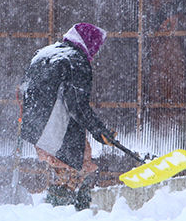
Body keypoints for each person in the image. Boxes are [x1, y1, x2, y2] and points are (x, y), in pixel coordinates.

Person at [20, 22, 116, 210]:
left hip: (36, 129)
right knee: (71, 176)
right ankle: (64, 214)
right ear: (89, 43)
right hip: (58, 130)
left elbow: (25, 90)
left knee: (70, 172)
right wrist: (99, 130)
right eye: (96, 46)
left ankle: (74, 212)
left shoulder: (44, 54)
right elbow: (77, 105)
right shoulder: (76, 61)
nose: (95, 52)